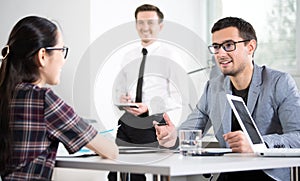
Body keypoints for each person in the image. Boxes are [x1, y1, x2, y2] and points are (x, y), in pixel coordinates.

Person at [154, 17, 300, 181]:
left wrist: (257, 144)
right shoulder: (213, 87)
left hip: (268, 174)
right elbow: (192, 130)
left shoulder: (279, 82)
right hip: (230, 173)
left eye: (229, 45)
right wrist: (172, 136)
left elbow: (298, 136)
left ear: (250, 47)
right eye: (216, 47)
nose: (221, 54)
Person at [0, 16, 118, 180]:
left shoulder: (6, 93)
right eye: (61, 50)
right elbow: (110, 151)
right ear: (42, 56)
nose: (63, 60)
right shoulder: (42, 100)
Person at [109, 4, 188, 181]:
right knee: (116, 175)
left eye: (150, 22)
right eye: (140, 22)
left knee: (144, 172)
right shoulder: (128, 56)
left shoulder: (171, 55)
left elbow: (180, 97)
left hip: (155, 123)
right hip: (128, 122)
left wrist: (149, 108)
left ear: (161, 26)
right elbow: (120, 90)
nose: (145, 27)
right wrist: (122, 98)